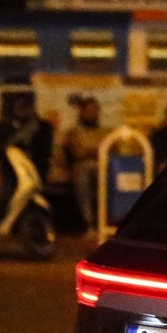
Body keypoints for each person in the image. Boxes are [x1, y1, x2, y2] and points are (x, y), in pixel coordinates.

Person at [57, 95, 112, 233]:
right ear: (82, 112)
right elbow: (79, 153)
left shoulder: (106, 131)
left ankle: (112, 220)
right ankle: (89, 224)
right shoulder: (74, 132)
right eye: (88, 110)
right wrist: (97, 150)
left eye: (95, 110)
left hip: (103, 167)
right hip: (82, 168)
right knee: (84, 172)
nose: (92, 113)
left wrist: (94, 151)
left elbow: (111, 150)